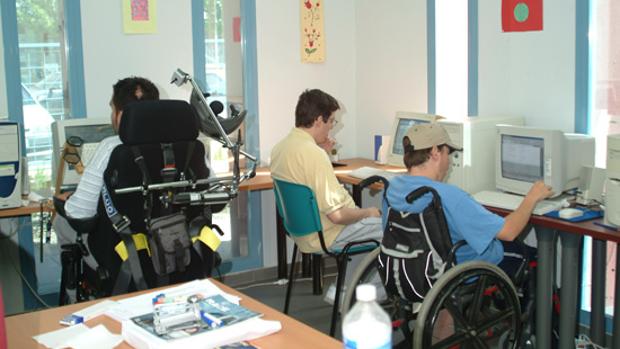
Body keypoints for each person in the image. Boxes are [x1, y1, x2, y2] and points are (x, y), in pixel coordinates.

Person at [384, 123, 553, 277]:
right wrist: (531, 198)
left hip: (414, 267)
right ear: (435, 153)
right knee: (531, 255)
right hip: (460, 268)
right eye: (447, 153)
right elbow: (509, 232)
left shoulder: (392, 188)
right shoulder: (449, 196)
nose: (449, 160)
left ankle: (448, 310)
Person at [270, 89, 383, 302]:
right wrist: (368, 211)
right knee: (392, 229)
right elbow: (338, 216)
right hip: (329, 233)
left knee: (366, 226)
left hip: (300, 232)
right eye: (331, 121)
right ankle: (356, 293)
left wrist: (323, 153)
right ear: (318, 120)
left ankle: (347, 287)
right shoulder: (313, 154)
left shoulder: (281, 148)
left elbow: (307, 180)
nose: (333, 127)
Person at [61, 77, 160, 219]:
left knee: (60, 222)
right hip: (170, 235)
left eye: (113, 108)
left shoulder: (111, 146)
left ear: (120, 115)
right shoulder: (186, 145)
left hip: (122, 238)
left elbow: (78, 212)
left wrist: (67, 201)